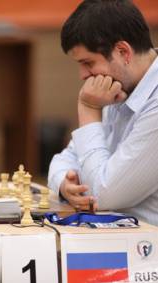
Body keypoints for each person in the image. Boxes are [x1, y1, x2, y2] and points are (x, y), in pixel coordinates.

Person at [48, 0, 158, 225]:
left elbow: (101, 195)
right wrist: (65, 184)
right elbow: (64, 160)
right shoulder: (120, 88)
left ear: (123, 52)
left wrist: (89, 110)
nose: (83, 75)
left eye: (88, 63)